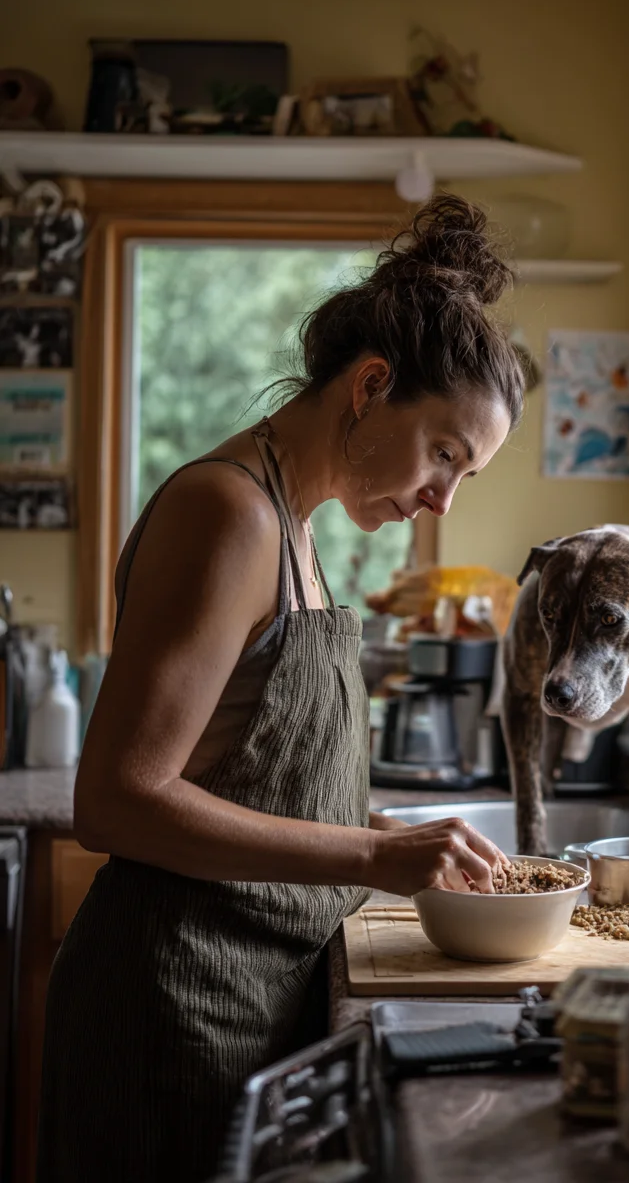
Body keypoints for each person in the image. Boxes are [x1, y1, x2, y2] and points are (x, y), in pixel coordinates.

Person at [37, 194, 524, 1182]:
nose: (443, 498)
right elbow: (117, 802)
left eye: (464, 476)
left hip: (252, 998)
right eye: (445, 456)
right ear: (371, 385)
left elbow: (248, 779)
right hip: (174, 1011)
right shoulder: (229, 514)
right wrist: (367, 855)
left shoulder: (295, 529)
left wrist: (385, 835)